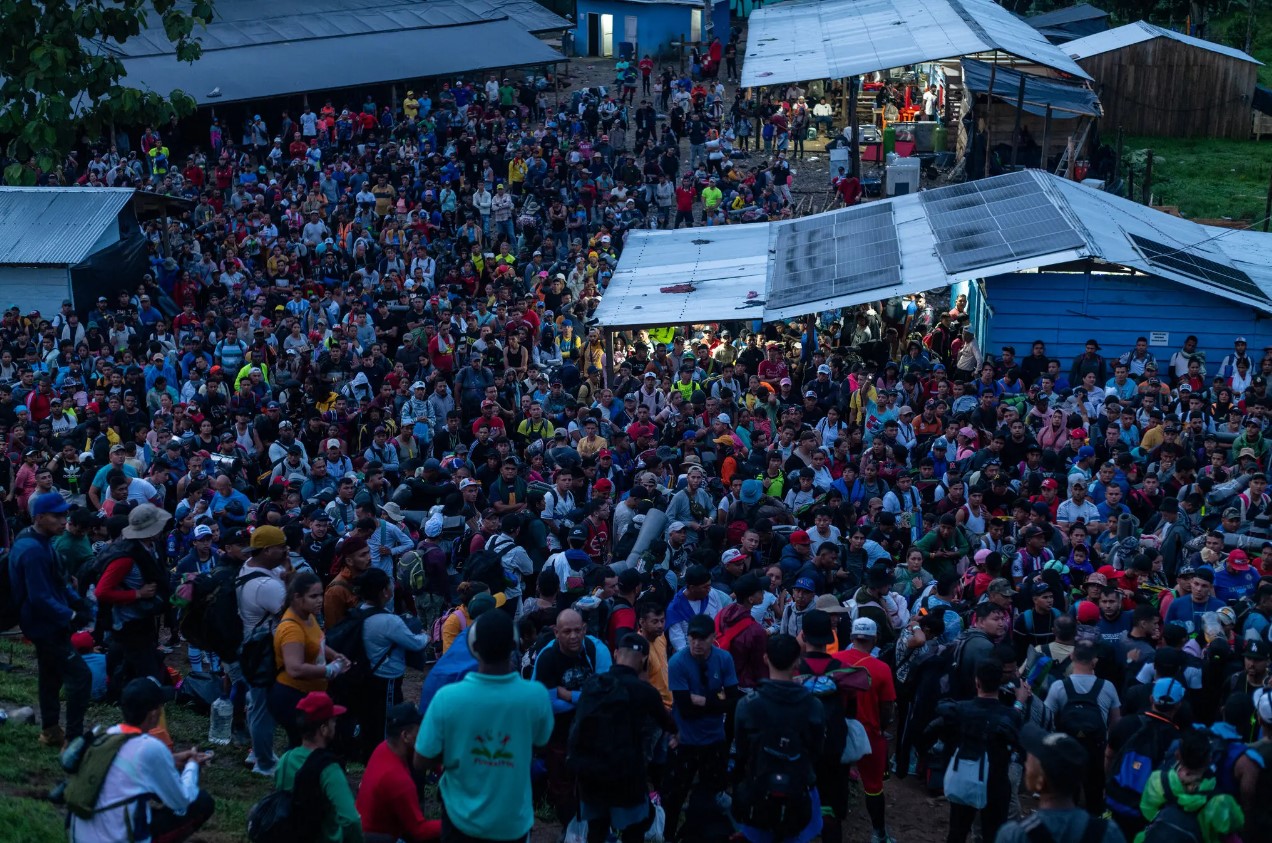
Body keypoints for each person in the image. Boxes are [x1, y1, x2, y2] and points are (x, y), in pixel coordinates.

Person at [416, 610, 555, 843]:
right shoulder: (535, 695)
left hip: (460, 820)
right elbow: (541, 742)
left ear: (473, 648)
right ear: (514, 645)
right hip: (513, 823)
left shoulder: (447, 698)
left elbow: (421, 760)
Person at [68, 677, 215, 843]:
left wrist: (170, 760)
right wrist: (192, 766)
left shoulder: (107, 735)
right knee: (202, 802)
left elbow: (128, 764)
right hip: (117, 838)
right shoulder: (151, 747)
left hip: (79, 836)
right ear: (153, 714)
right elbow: (181, 802)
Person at [570, 633, 677, 843]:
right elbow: (669, 725)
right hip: (626, 775)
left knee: (596, 830)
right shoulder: (645, 692)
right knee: (634, 830)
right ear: (645, 659)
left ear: (616, 653)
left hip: (591, 773)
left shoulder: (593, 685)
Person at [9, 491, 91, 747]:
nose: (62, 520)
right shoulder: (32, 550)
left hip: (48, 621)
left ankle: (51, 730)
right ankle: (74, 738)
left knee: (50, 676)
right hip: (44, 625)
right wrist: (72, 614)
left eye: (64, 514)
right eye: (57, 516)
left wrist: (77, 602)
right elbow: (40, 597)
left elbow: (58, 579)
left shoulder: (41, 540)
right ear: (40, 516)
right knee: (80, 677)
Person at [733, 633, 827, 843]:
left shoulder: (748, 705)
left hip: (759, 788)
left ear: (765, 658)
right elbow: (817, 750)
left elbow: (741, 750)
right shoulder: (813, 706)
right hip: (800, 789)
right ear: (797, 661)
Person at [928, 657, 1027, 843]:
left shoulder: (959, 710)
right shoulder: (1009, 715)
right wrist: (1020, 700)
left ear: (977, 681)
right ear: (1000, 683)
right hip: (996, 782)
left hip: (963, 775)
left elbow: (931, 730)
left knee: (957, 830)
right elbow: (1019, 742)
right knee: (993, 834)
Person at [663, 613, 741, 841]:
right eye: (692, 638)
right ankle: (669, 836)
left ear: (712, 638)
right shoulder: (678, 662)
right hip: (685, 740)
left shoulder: (723, 659)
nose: (696, 643)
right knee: (674, 796)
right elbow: (685, 708)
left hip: (713, 739)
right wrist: (717, 701)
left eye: (701, 638)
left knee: (711, 794)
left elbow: (733, 701)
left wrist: (703, 700)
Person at [996, 724, 1125, 843]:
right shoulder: (1107, 832)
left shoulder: (1015, 835)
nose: (1026, 765)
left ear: (1041, 780)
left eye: (1030, 762)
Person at [270, 572, 351, 748]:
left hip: (309, 693)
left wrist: (334, 655)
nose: (320, 600)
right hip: (292, 696)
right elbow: (295, 669)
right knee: (303, 747)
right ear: (297, 597)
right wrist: (329, 670)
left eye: (320, 594)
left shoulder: (308, 616)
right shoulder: (292, 628)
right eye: (313, 596)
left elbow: (315, 642)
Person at [835, 617, 897, 843]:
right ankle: (878, 833)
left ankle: (834, 827)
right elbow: (887, 708)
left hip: (837, 731)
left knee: (836, 779)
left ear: (852, 637)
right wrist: (882, 727)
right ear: (875, 639)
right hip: (869, 733)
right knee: (873, 786)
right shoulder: (881, 668)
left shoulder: (834, 660)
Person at [273, 691, 363, 843]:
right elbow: (351, 820)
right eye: (333, 721)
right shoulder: (329, 769)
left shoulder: (285, 760)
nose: (335, 725)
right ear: (323, 729)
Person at [1043, 642, 1122, 815]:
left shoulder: (1058, 687)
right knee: (1095, 800)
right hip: (1097, 751)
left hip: (1066, 751)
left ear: (1071, 657)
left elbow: (1046, 718)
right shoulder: (1107, 687)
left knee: (1067, 798)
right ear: (1095, 661)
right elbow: (1116, 724)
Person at [356, 703, 442, 842]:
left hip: (364, 833)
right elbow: (420, 831)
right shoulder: (397, 779)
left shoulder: (383, 748)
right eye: (419, 731)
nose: (423, 735)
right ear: (405, 736)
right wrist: (453, 825)